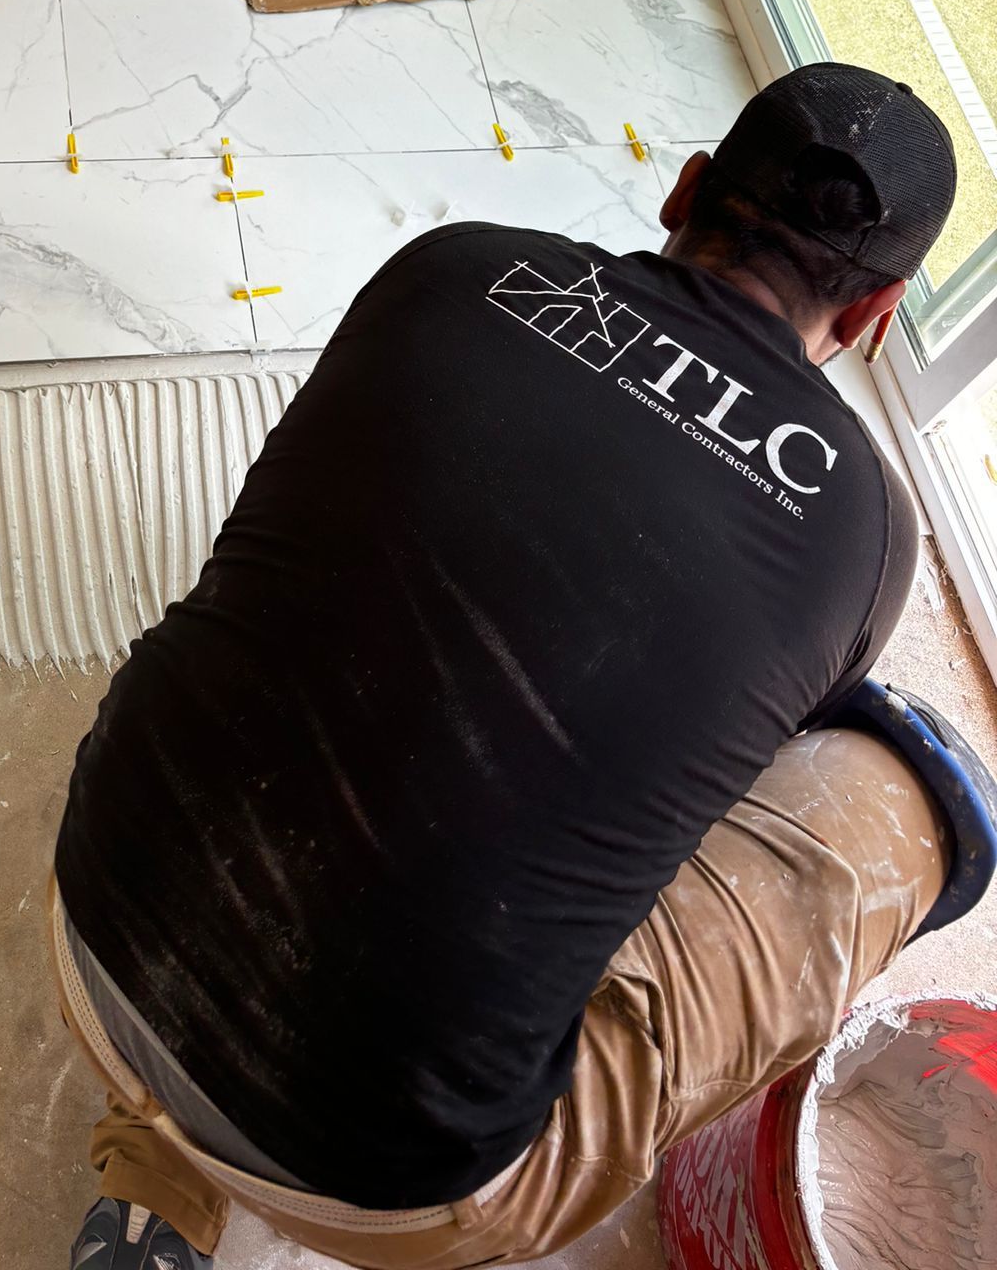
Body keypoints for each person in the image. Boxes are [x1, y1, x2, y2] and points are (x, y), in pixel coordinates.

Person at [52, 63, 997, 1270]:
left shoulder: (453, 266)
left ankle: (154, 1189)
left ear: (687, 189)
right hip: (388, 1177)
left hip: (102, 902)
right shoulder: (862, 522)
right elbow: (751, 754)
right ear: (873, 315)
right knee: (908, 795)